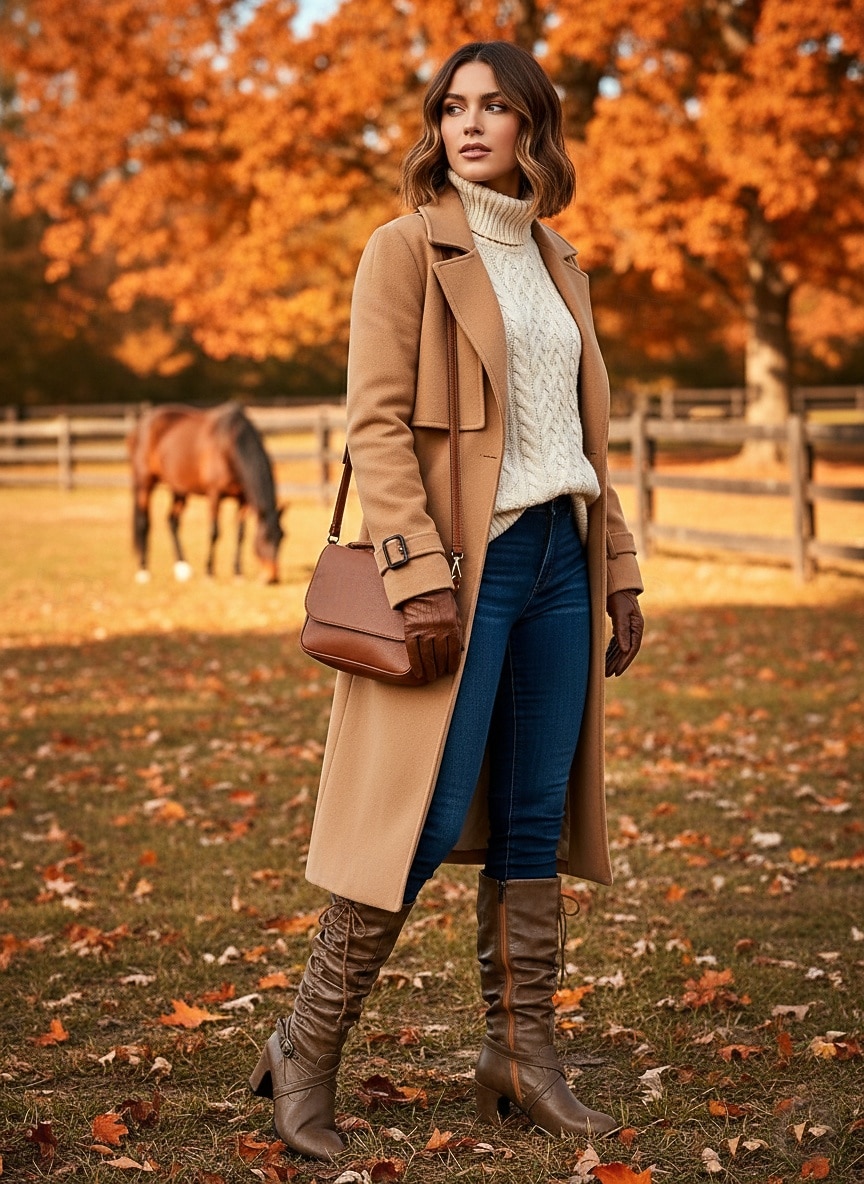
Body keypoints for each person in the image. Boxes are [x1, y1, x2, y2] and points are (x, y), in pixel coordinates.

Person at [249, 40, 644, 1160]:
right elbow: (375, 426)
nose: (471, 124)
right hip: (465, 569)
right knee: (416, 818)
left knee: (533, 813)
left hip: (561, 554)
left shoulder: (560, 259)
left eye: (495, 106)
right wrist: (415, 574)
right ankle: (303, 1046)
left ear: (532, 128)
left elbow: (578, 435)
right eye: (454, 106)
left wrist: (617, 566)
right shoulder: (404, 248)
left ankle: (521, 1055)